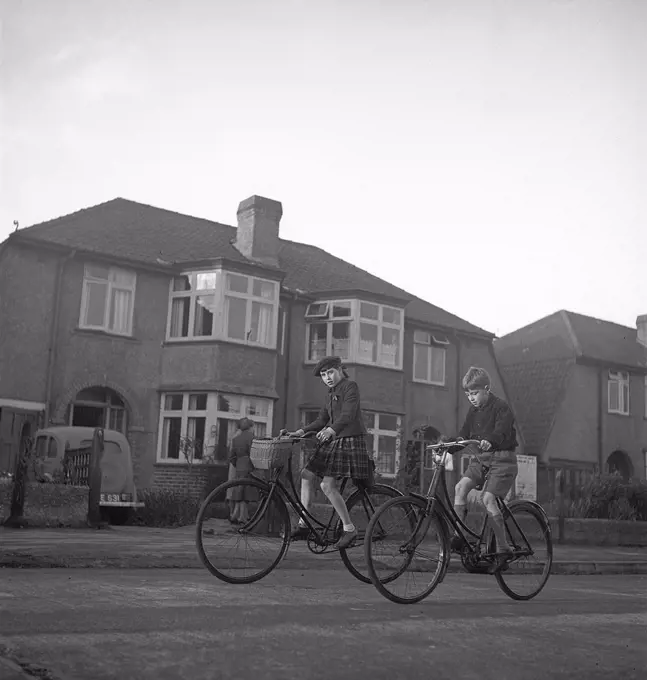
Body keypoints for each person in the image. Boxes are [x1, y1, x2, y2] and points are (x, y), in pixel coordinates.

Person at [283, 356, 371, 550]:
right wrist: (300, 432)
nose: (327, 377)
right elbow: (321, 420)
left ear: (340, 369)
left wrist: (332, 430)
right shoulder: (329, 394)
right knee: (306, 475)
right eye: (323, 375)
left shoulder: (350, 387)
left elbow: (348, 415)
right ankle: (304, 523)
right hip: (334, 440)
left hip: (349, 440)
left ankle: (349, 529)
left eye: (330, 372)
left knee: (327, 485)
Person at [447, 366, 518, 573]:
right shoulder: (473, 411)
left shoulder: (501, 407)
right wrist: (448, 448)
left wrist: (490, 440)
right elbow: (463, 435)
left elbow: (502, 431)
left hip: (503, 460)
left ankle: (504, 550)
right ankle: (459, 536)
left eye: (475, 393)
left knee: (488, 499)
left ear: (487, 389)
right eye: (468, 394)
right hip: (481, 460)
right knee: (461, 488)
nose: (471, 398)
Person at [227, 417, 256, 524]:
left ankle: (236, 515)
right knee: (245, 493)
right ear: (249, 426)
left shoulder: (235, 439)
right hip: (248, 465)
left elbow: (231, 457)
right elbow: (253, 453)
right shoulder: (251, 438)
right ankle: (242, 517)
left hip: (239, 466)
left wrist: (238, 464)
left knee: (239, 492)